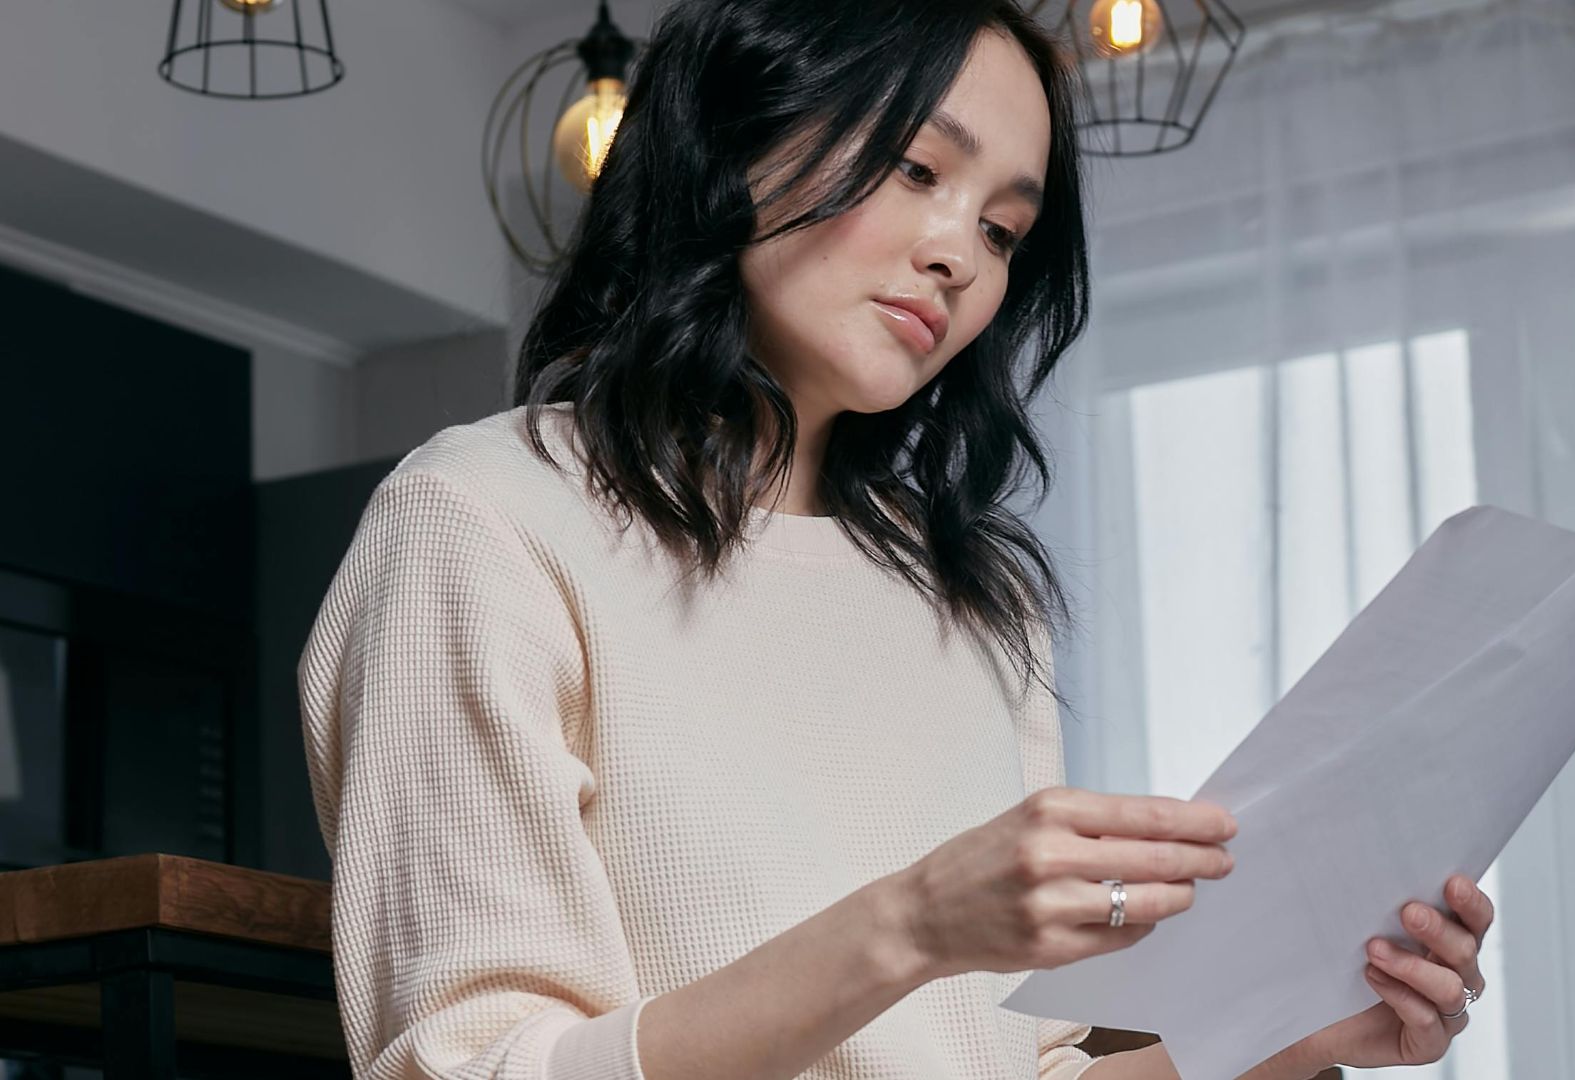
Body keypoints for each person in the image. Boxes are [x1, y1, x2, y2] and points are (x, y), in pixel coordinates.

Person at [296, 1, 1496, 1077]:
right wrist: (912, 925)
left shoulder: (973, 598)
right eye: (919, 168)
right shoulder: (487, 519)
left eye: (1005, 231)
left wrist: (1285, 1038)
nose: (959, 255)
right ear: (740, 134)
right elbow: (476, 1067)